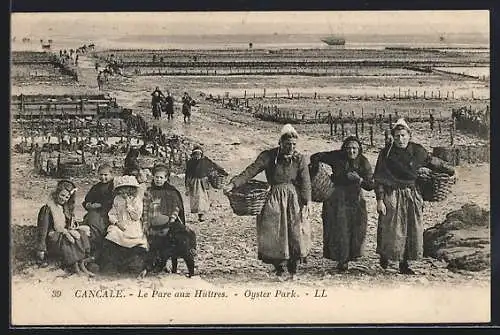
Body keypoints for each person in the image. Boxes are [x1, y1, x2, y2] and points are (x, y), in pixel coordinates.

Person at [224, 124, 312, 280]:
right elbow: (251, 171)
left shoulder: (299, 159)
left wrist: (307, 201)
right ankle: (278, 266)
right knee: (274, 231)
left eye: (293, 144)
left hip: (293, 198)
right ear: (280, 143)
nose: (291, 147)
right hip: (273, 197)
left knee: (295, 231)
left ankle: (293, 267)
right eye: (287, 144)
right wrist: (234, 183)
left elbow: (305, 181)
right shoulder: (269, 156)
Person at [374, 118, 455, 274]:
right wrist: (380, 200)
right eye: (397, 136)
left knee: (411, 228)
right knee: (391, 228)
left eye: (403, 135)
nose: (400, 139)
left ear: (409, 135)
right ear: (393, 137)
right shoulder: (386, 153)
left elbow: (433, 162)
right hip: (392, 194)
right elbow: (379, 178)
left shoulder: (417, 151)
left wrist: (451, 170)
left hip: (412, 194)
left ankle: (404, 263)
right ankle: (385, 255)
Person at [310, 136, 374, 272]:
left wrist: (359, 180)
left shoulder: (363, 162)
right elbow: (316, 156)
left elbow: (370, 185)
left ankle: (352, 255)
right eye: (348, 148)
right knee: (339, 228)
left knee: (356, 228)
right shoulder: (337, 156)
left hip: (355, 198)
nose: (351, 151)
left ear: (359, 149)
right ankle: (342, 260)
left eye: (354, 148)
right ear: (344, 149)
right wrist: (316, 171)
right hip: (336, 197)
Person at [35, 180, 94, 276]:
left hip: (63, 232)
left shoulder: (64, 207)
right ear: (57, 193)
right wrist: (41, 248)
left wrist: (72, 224)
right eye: (62, 195)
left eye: (67, 197)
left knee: (81, 234)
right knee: (67, 240)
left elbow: (67, 224)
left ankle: (81, 264)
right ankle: (75, 266)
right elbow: (43, 230)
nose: (64, 199)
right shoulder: (47, 208)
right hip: (53, 237)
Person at [98, 175, 149, 275]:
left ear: (132, 189)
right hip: (119, 223)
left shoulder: (136, 200)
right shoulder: (117, 199)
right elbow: (112, 213)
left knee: (135, 239)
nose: (124, 192)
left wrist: (129, 205)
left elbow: (136, 216)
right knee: (112, 234)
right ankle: (113, 264)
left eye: (127, 189)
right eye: (122, 189)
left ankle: (133, 264)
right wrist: (117, 222)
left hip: (132, 224)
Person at [142, 163, 186, 273]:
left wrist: (171, 220)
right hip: (153, 220)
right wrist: (146, 222)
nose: (158, 180)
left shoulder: (171, 192)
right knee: (151, 239)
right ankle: (154, 262)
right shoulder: (149, 191)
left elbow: (177, 208)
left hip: (169, 221)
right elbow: (145, 208)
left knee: (169, 238)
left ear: (166, 178)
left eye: (161, 177)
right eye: (156, 177)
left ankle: (167, 262)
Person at [82, 163, 115, 259]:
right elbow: (88, 198)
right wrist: (87, 204)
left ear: (111, 174)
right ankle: (90, 249)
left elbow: (113, 200)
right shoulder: (96, 187)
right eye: (101, 175)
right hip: (95, 211)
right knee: (89, 223)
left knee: (96, 224)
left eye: (106, 175)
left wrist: (100, 205)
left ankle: (98, 250)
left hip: (108, 212)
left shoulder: (113, 186)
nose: (103, 177)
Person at [185, 146, 219, 222]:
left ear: (201, 154)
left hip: (203, 182)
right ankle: (199, 215)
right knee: (196, 199)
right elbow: (187, 174)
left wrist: (221, 171)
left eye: (199, 154)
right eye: (195, 154)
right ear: (193, 155)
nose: (197, 156)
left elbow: (213, 167)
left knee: (203, 199)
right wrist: (187, 186)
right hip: (194, 183)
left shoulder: (205, 161)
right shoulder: (190, 163)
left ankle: (201, 215)